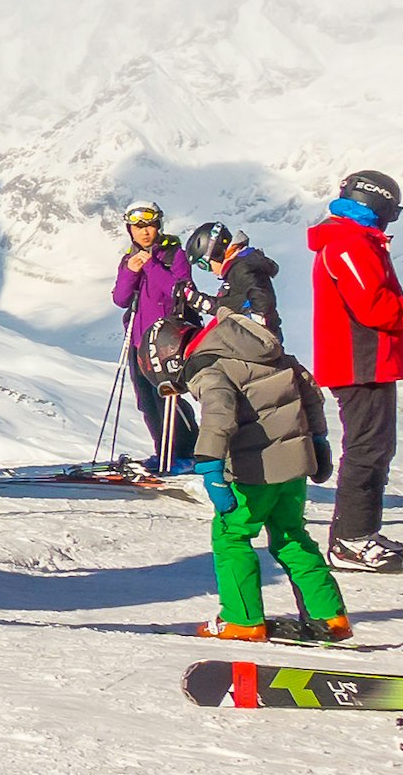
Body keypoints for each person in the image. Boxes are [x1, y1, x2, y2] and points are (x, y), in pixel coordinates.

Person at [306, 169, 403, 572]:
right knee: (367, 450)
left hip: (365, 361)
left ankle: (360, 534)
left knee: (375, 449)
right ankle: (350, 541)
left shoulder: (354, 241)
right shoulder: (349, 244)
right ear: (377, 204)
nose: (392, 218)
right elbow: (374, 308)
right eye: (392, 210)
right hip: (359, 362)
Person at [178, 284, 346, 645]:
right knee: (292, 537)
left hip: (253, 473)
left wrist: (209, 465)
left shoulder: (211, 368)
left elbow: (218, 416)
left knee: (231, 536)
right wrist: (318, 442)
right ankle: (329, 615)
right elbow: (309, 392)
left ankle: (242, 619)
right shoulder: (268, 348)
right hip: (295, 467)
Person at [112, 205, 196, 472]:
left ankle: (185, 452)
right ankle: (164, 453)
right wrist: (130, 272)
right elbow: (120, 299)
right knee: (146, 400)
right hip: (139, 341)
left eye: (150, 226)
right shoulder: (129, 259)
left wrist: (152, 265)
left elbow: (178, 291)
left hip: (167, 342)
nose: (145, 232)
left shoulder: (174, 254)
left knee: (169, 397)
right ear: (130, 230)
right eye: (139, 228)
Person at [184, 220, 278, 331]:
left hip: (260, 341)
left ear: (216, 252)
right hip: (247, 339)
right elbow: (231, 305)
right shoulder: (235, 270)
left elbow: (261, 297)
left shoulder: (242, 267)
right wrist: (200, 301)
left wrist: (256, 321)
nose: (210, 271)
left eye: (204, 265)